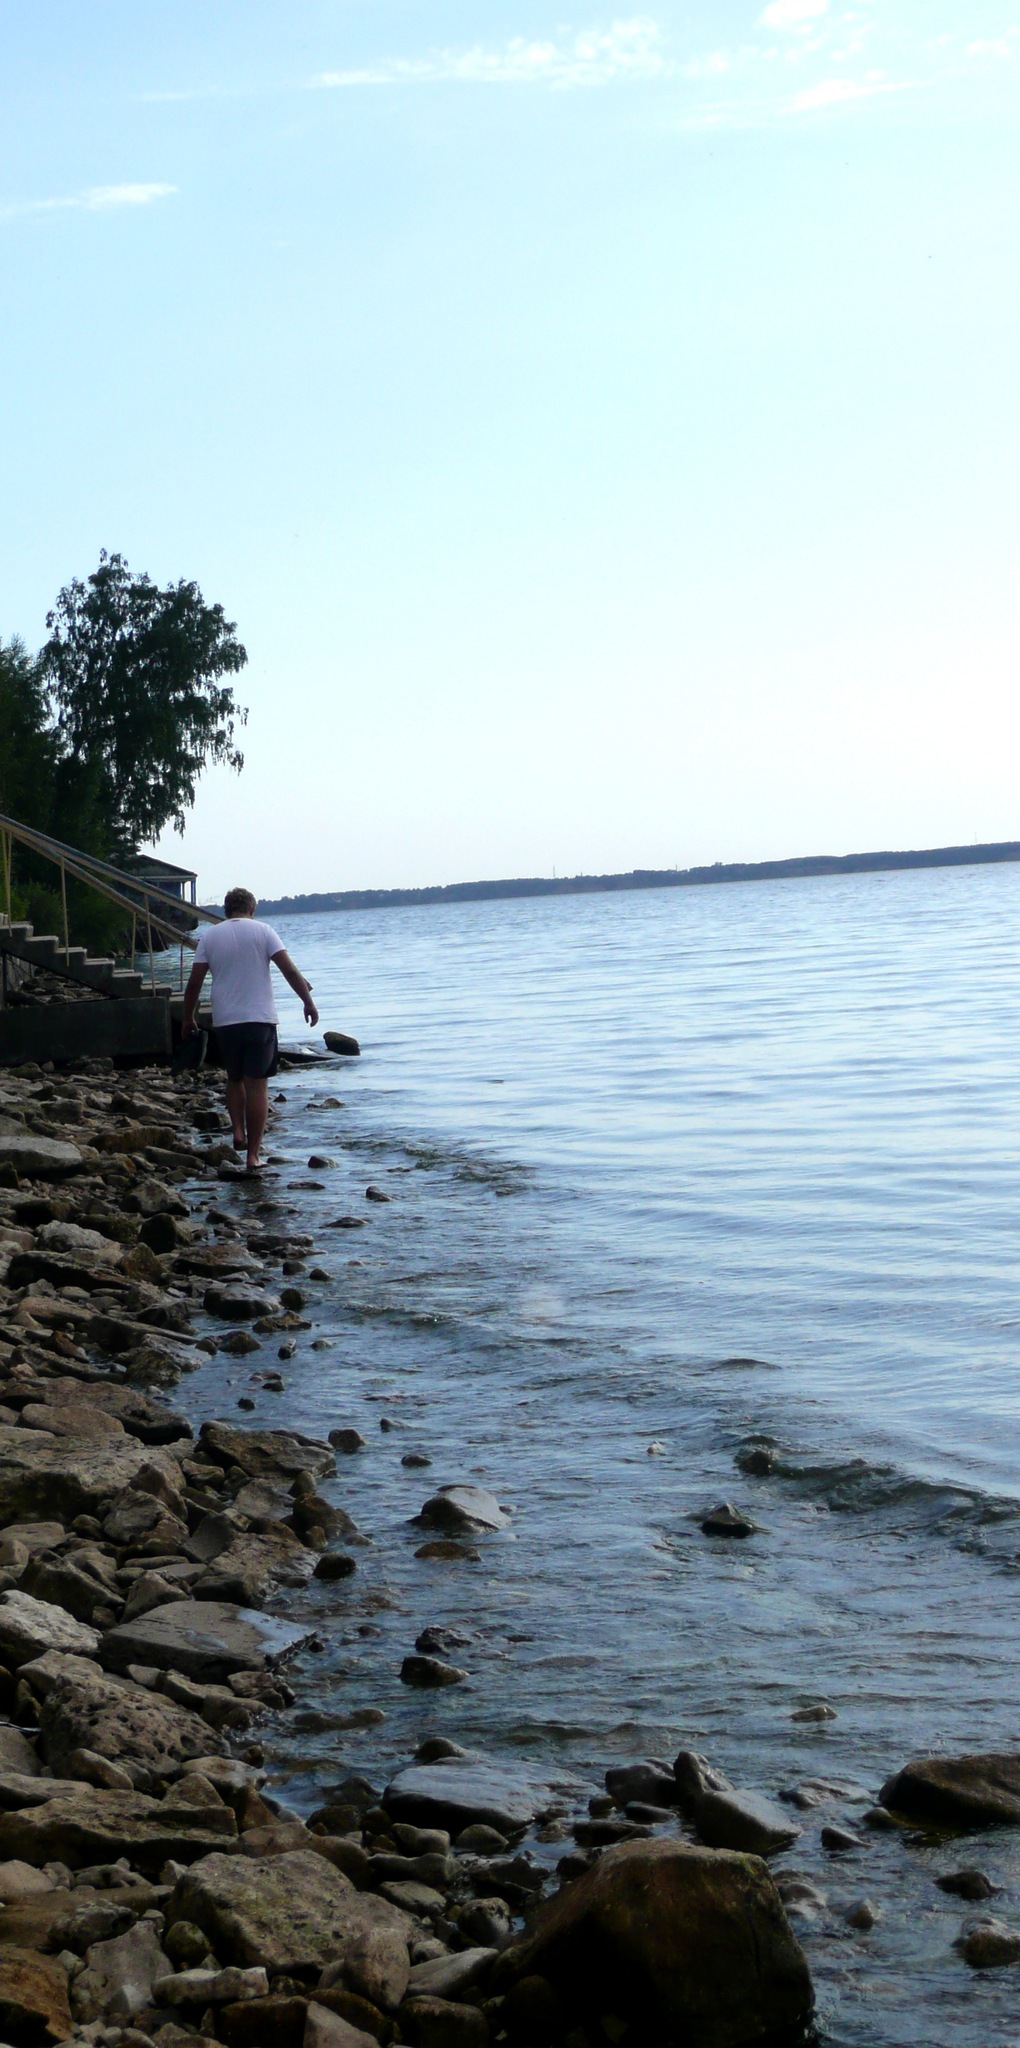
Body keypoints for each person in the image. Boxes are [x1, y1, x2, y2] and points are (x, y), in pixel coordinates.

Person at [180, 887, 319, 1172]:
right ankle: (253, 1156)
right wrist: (308, 1002)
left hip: (226, 1021)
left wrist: (188, 1018)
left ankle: (237, 1131)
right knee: (257, 1086)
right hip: (260, 1020)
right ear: (252, 909)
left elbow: (194, 982)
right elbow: (290, 971)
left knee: (234, 1079)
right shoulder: (264, 931)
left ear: (226, 910)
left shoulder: (210, 936)